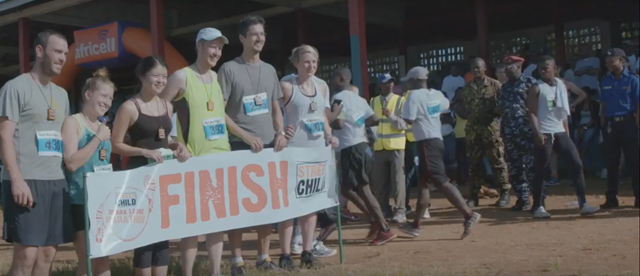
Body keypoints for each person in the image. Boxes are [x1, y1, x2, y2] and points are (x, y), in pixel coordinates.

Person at [0, 30, 74, 276]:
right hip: (26, 180)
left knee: (46, 255)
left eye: (65, 53)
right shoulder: (15, 87)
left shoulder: (62, 95)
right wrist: (16, 178)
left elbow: (65, 140)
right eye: (57, 51)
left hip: (55, 182)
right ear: (40, 51)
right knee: (26, 256)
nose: (63, 57)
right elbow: (4, 135)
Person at [217, 15, 287, 275]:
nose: (260, 39)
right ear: (242, 38)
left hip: (269, 147)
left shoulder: (269, 70)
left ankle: (263, 257)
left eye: (263, 34)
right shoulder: (228, 69)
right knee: (237, 206)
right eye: (254, 34)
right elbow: (219, 113)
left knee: (266, 205)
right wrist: (245, 137)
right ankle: (236, 261)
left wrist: (280, 132)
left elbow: (275, 107)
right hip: (238, 147)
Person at [159, 27, 231, 276]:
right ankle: (187, 273)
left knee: (217, 221)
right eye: (212, 46)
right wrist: (172, 142)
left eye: (220, 48)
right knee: (191, 221)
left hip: (220, 157)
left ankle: (215, 272)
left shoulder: (217, 78)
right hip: (192, 160)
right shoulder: (181, 77)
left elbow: (221, 116)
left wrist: (245, 135)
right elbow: (160, 111)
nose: (217, 52)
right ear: (199, 46)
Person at [111, 56, 191, 276]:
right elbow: (116, 144)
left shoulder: (167, 106)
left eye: (164, 77)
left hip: (164, 177)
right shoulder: (129, 107)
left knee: (163, 232)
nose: (161, 81)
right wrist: (142, 151)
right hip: (139, 177)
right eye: (155, 76)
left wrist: (179, 147)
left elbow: (168, 140)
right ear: (142, 76)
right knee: (144, 234)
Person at [397, 66, 481, 239]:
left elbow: (408, 121)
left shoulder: (413, 97)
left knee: (441, 181)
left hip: (426, 143)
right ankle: (416, 225)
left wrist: (391, 118)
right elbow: (445, 108)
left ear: (413, 81)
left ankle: (469, 214)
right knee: (423, 184)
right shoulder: (436, 95)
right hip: (436, 140)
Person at [278, 44, 339, 269]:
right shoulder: (285, 85)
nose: (311, 66)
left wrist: (329, 134)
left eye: (314, 62)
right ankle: (284, 255)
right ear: (295, 63)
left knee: (310, 204)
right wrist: (282, 131)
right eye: (306, 61)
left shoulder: (322, 86)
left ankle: (307, 251)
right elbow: (274, 112)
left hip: (315, 153)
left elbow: (321, 115)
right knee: (288, 205)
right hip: (291, 153)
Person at [329, 67, 397, 246]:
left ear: (341, 79)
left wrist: (327, 118)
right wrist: (357, 123)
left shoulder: (338, 99)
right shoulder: (358, 99)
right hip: (362, 146)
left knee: (364, 190)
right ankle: (373, 220)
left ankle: (384, 229)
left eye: (333, 78)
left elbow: (339, 123)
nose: (330, 81)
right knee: (346, 189)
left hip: (350, 148)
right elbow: (373, 119)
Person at [526, 55, 600, 218]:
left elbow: (563, 112)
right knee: (541, 169)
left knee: (577, 165)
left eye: (546, 67)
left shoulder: (562, 85)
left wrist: (566, 134)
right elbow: (531, 112)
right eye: (540, 68)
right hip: (545, 132)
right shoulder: (536, 88)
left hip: (559, 131)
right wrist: (537, 132)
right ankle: (538, 206)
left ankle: (583, 204)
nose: (543, 71)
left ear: (555, 69)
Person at [62, 68, 115, 276]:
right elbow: (72, 163)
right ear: (87, 94)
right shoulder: (73, 122)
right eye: (103, 95)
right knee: (87, 261)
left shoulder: (103, 128)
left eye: (111, 97)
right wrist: (97, 138)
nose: (107, 102)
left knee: (103, 261)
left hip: (102, 203)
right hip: (80, 201)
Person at [461, 57, 511, 208]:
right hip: (473, 131)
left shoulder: (495, 85)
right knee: (474, 164)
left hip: (490, 129)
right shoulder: (467, 88)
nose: (476, 71)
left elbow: (503, 106)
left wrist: (495, 112)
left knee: (497, 161)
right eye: (473, 68)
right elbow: (464, 108)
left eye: (479, 68)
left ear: (485, 68)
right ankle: (474, 195)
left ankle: (505, 192)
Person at [599, 48, 639, 209]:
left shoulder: (633, 80)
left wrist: (638, 125)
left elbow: (638, 104)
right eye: (607, 61)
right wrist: (602, 125)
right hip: (611, 125)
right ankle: (611, 197)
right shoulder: (606, 81)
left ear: (621, 60)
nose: (609, 63)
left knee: (635, 162)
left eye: (612, 60)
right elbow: (603, 105)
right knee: (611, 163)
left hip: (629, 123)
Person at [497, 56, 537, 211]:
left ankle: (538, 199)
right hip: (510, 133)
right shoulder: (505, 87)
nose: (507, 69)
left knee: (532, 168)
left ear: (519, 66)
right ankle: (522, 198)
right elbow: (503, 111)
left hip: (527, 131)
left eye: (510, 66)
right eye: (505, 66)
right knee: (514, 168)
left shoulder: (530, 83)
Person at [369, 73, 408, 223]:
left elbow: (404, 124)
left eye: (391, 82)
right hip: (379, 147)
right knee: (380, 183)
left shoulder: (400, 101)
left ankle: (400, 211)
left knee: (398, 181)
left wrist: (391, 116)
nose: (390, 85)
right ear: (380, 85)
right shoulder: (373, 102)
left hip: (396, 146)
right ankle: (383, 210)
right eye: (386, 82)